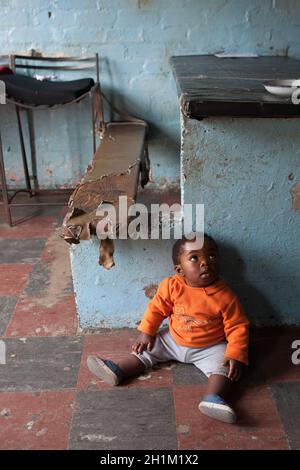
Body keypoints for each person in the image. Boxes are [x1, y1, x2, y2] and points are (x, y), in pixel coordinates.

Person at [87, 233, 249, 424]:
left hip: (210, 346)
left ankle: (213, 398)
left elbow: (237, 326)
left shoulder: (226, 296)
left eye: (211, 256)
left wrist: (234, 354)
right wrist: (147, 332)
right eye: (194, 258)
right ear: (180, 269)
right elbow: (156, 309)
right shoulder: (171, 286)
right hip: (173, 339)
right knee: (148, 349)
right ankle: (119, 370)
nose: (205, 262)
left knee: (224, 368)